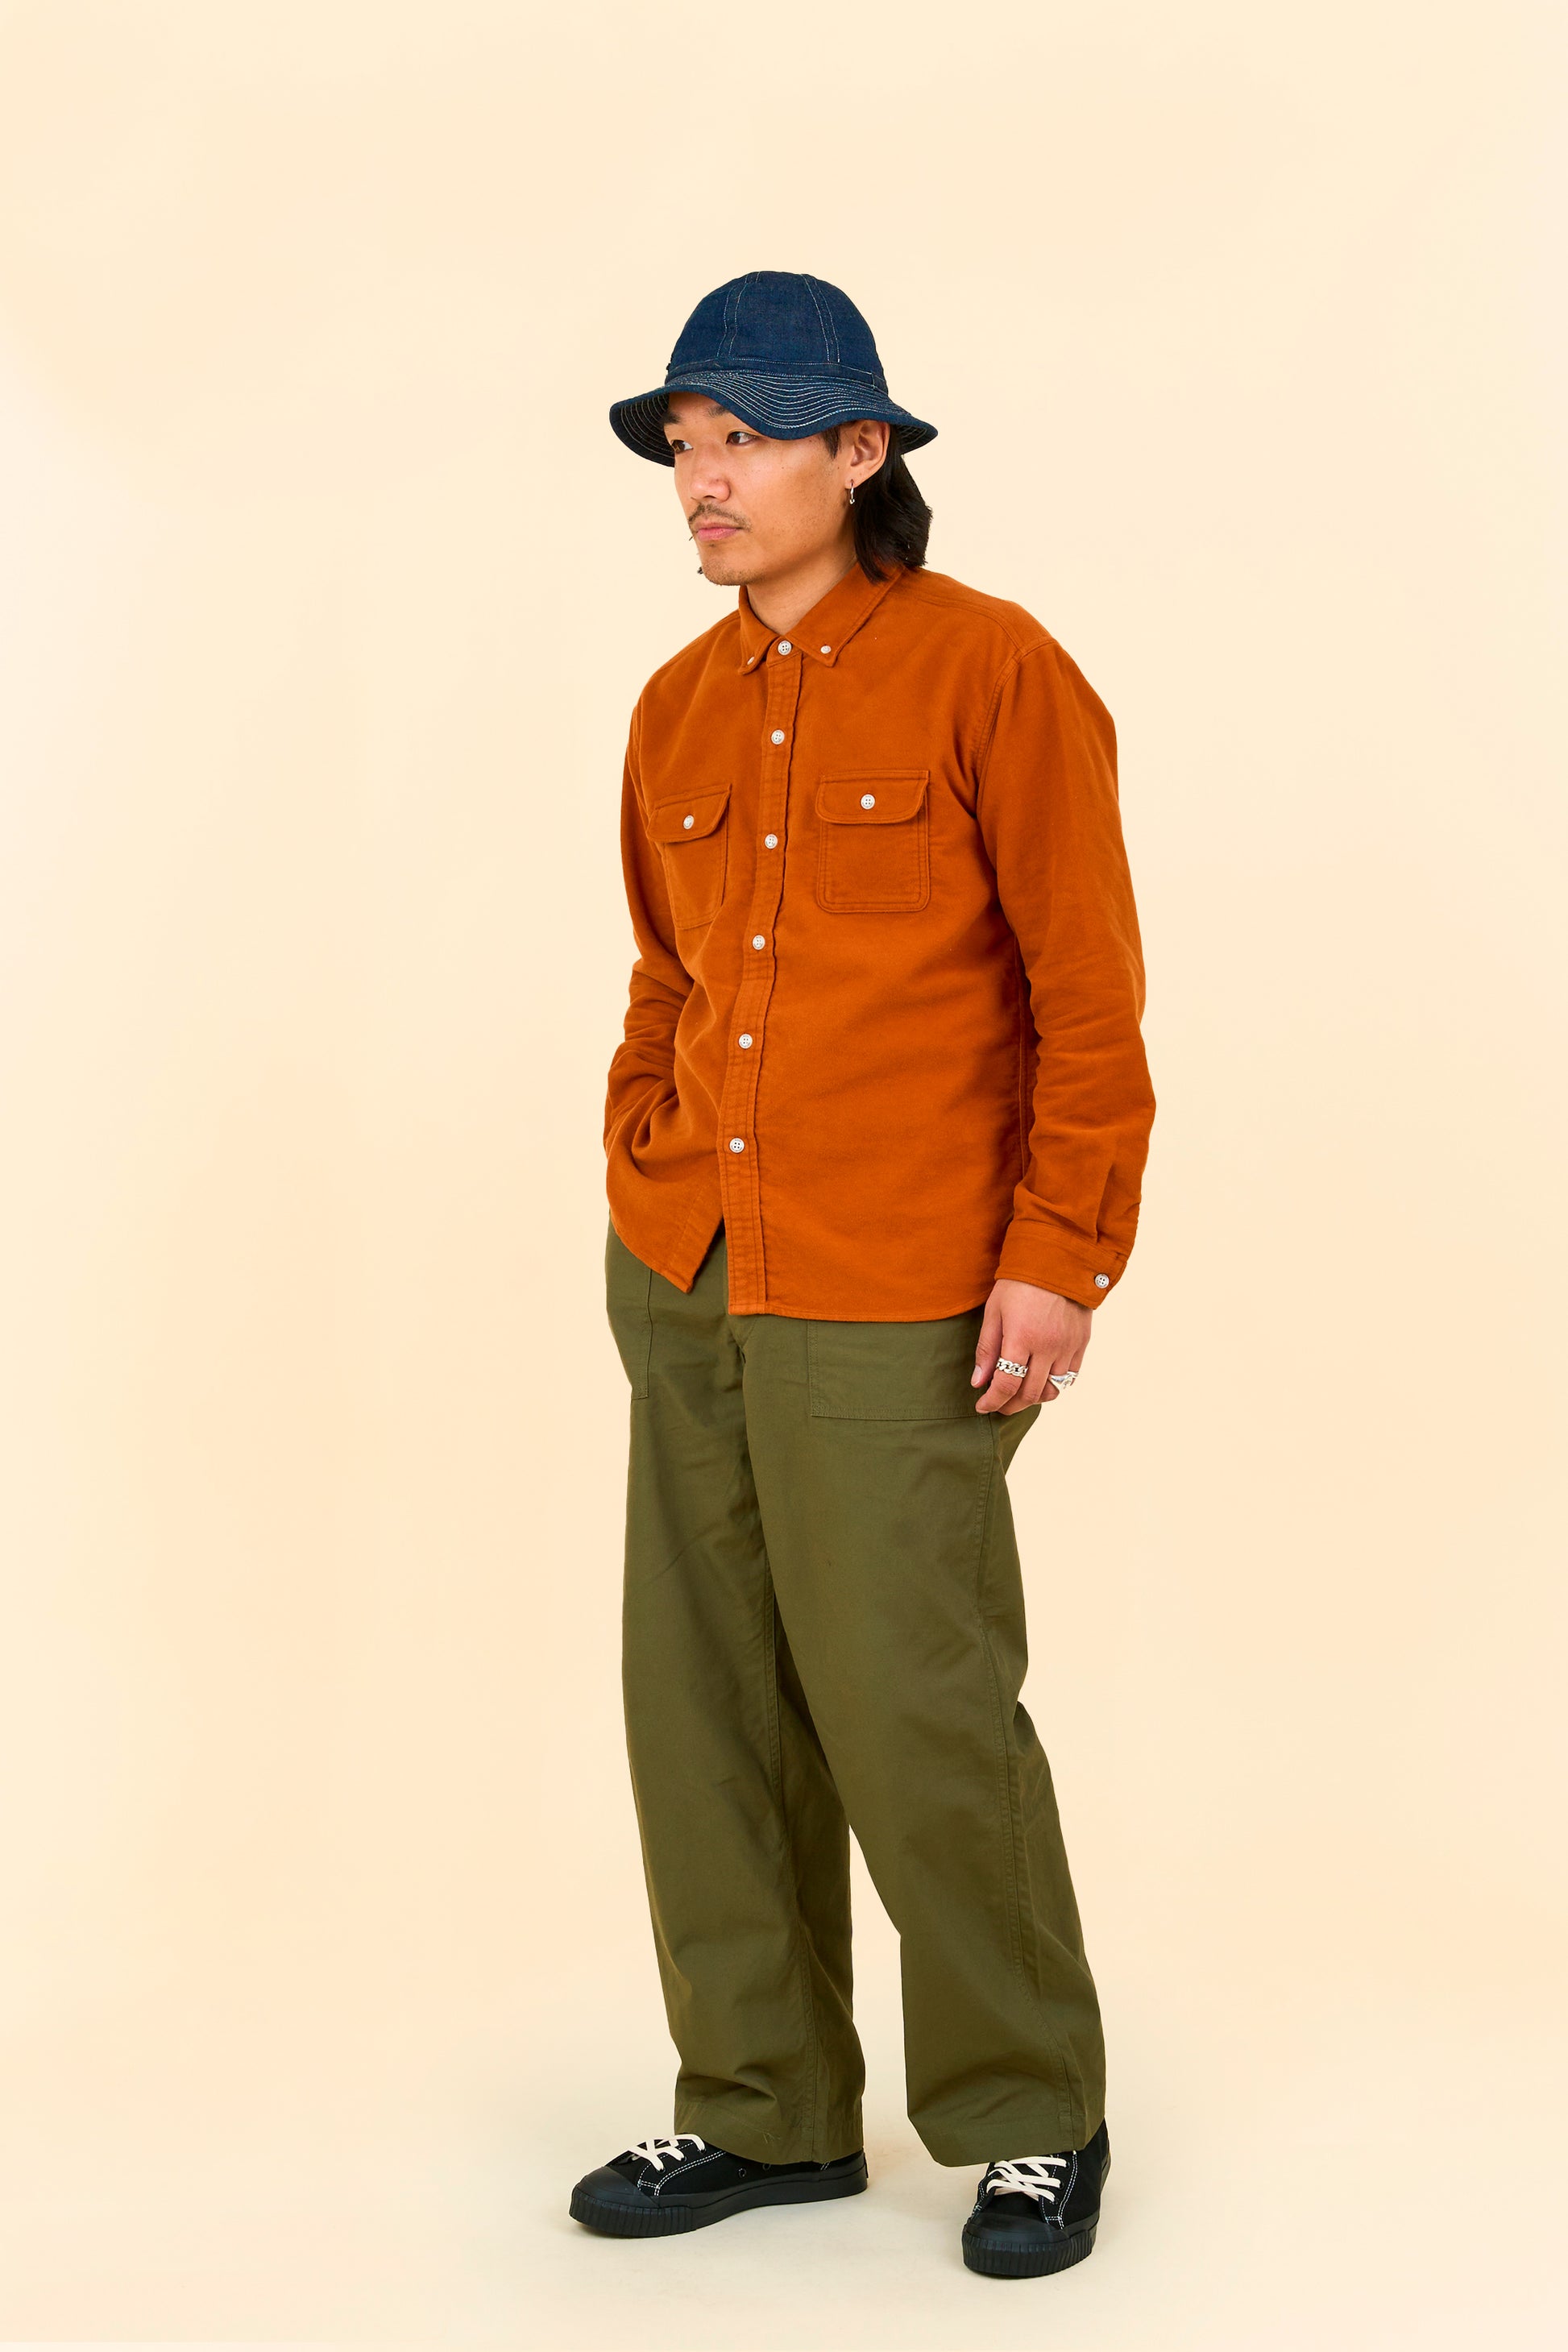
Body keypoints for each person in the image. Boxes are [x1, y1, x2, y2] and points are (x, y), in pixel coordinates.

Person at [569, 271, 1155, 2281]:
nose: (703, 480)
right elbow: (665, 977)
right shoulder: (676, 705)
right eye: (685, 445)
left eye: (742, 438)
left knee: (915, 1703)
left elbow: (1087, 998)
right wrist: (643, 1164)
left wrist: (1059, 1256)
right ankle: (765, 2105)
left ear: (860, 450)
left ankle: (1029, 2109)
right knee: (703, 1699)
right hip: (694, 1266)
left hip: (902, 1279)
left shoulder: (996, 669)